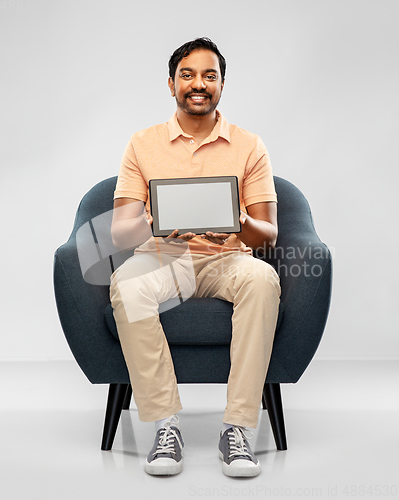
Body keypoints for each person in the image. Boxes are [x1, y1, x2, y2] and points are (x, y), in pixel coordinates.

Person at [109, 37, 281, 478]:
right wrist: (158, 220)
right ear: (171, 84)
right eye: (187, 75)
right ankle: (166, 425)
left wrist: (235, 219)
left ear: (222, 84)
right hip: (164, 254)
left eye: (209, 75)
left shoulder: (249, 145)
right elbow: (119, 231)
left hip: (228, 258)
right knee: (127, 285)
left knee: (262, 279)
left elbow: (268, 235)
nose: (198, 84)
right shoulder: (142, 144)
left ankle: (238, 429)